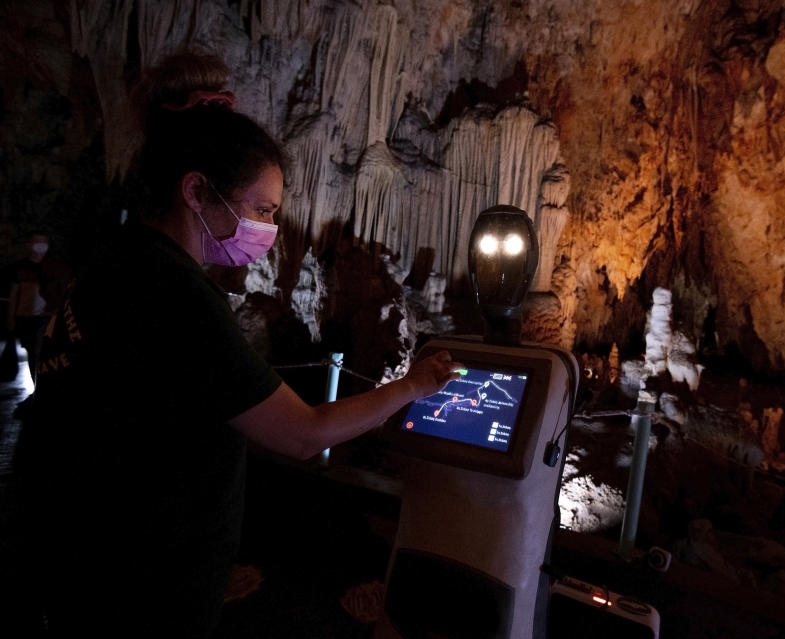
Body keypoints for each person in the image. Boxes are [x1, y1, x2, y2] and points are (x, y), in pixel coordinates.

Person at [10, 52, 461, 638]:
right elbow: (304, 433)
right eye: (260, 210)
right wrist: (414, 386)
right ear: (196, 190)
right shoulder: (174, 294)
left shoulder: (114, 263)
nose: (268, 232)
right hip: (138, 595)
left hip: (80, 569)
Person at [5, 232, 72, 386]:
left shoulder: (54, 267)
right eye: (37, 242)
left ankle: (41, 387)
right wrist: (11, 319)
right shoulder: (20, 268)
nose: (40, 245)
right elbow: (14, 295)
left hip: (47, 317)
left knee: (41, 353)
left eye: (44, 242)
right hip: (26, 319)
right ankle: (36, 385)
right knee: (33, 354)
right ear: (29, 244)